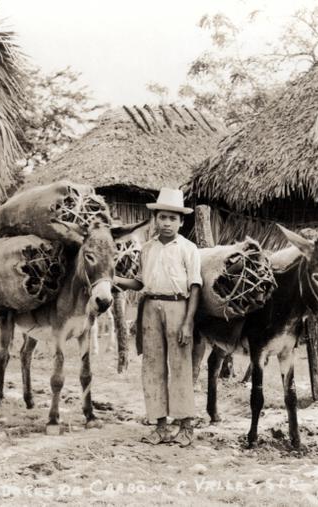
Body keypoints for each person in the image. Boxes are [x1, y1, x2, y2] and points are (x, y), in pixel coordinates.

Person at [114, 188, 202, 447]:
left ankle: (186, 426)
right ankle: (161, 425)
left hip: (178, 308)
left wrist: (188, 322)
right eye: (162, 217)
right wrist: (115, 279)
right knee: (152, 366)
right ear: (155, 218)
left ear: (181, 221)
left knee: (180, 367)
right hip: (150, 308)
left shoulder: (188, 248)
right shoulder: (147, 249)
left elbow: (195, 286)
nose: (166, 223)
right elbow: (140, 282)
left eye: (172, 218)